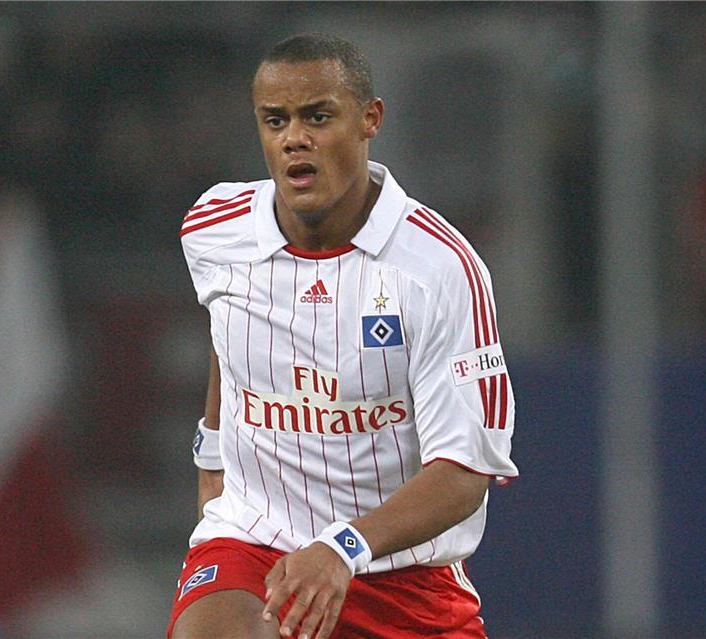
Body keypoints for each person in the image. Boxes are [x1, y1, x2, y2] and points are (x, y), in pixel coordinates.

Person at [169, 33, 518, 639]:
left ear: (369, 120)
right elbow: (228, 338)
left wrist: (342, 548)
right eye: (275, 120)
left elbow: (465, 470)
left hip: (406, 580)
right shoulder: (214, 229)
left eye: (317, 117)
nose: (293, 139)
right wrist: (212, 465)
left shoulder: (439, 269)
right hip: (254, 547)